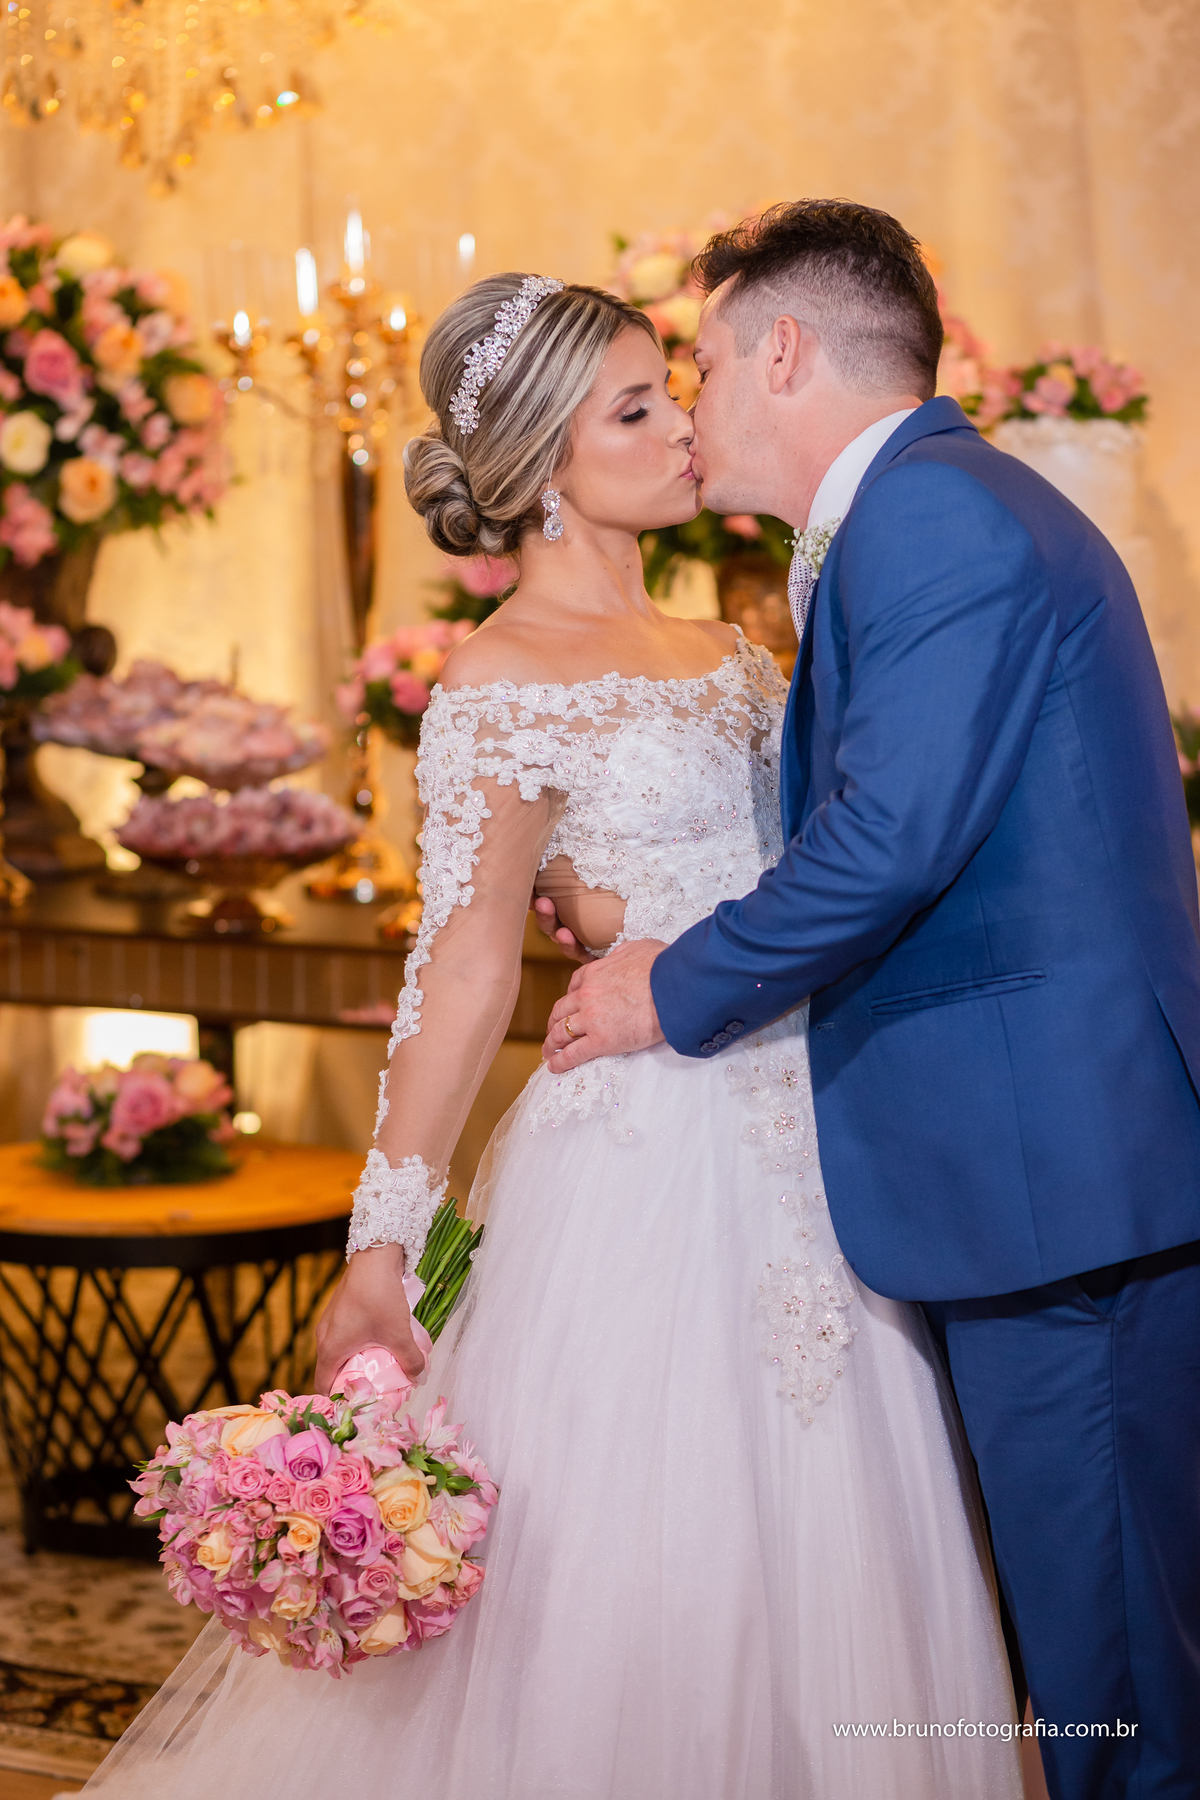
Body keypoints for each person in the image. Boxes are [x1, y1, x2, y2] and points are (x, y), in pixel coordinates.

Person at [82, 271, 1022, 1800]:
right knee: (646, 1551)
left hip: (820, 1142)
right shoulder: (499, 683)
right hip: (641, 1160)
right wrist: (382, 1243)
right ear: (539, 471)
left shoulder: (735, 650)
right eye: (635, 410)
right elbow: (460, 971)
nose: (684, 428)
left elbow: (826, 872)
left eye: (673, 392)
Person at [541, 201, 1200, 1800]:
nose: (690, 408)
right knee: (1095, 1657)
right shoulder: (924, 511)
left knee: (1119, 1680)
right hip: (1034, 1172)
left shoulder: (932, 520)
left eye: (701, 365)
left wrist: (665, 989)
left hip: (1059, 1186)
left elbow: (890, 840)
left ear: (782, 350)